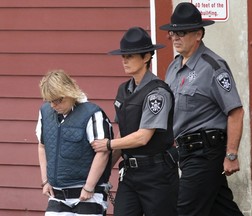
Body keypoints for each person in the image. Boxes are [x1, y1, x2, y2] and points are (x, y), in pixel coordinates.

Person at [159, 2, 245, 216]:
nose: (175, 37)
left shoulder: (213, 66)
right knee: (222, 209)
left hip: (205, 152)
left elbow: (235, 111)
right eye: (172, 32)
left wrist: (231, 155)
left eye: (182, 32)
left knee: (184, 210)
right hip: (185, 154)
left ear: (198, 34)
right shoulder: (173, 67)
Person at [91, 27, 179, 216]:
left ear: (146, 57)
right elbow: (124, 132)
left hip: (157, 174)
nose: (124, 61)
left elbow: (142, 137)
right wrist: (104, 170)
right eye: (123, 56)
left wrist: (107, 144)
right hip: (130, 174)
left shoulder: (158, 93)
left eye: (130, 56)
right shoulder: (124, 90)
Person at [35, 69, 113, 216]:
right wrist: (45, 181)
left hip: (88, 194)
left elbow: (102, 152)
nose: (54, 105)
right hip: (57, 195)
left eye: (59, 100)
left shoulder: (92, 113)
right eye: (50, 100)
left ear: (70, 92)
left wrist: (89, 187)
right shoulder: (45, 112)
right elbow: (42, 145)